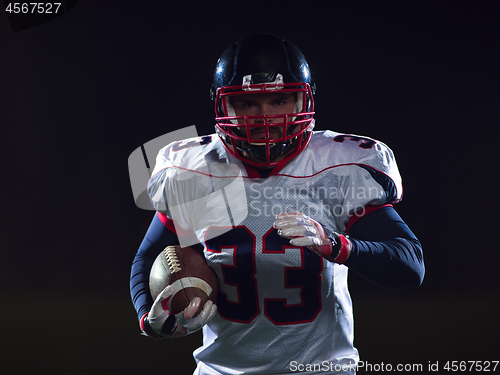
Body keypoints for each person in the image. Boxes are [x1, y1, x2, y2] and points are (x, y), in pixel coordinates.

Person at [130, 33, 424, 374]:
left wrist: (335, 246)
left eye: (280, 100)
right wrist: (147, 317)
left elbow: (410, 264)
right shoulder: (193, 169)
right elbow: (149, 255)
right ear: (223, 105)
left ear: (304, 101)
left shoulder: (337, 167)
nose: (264, 116)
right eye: (247, 103)